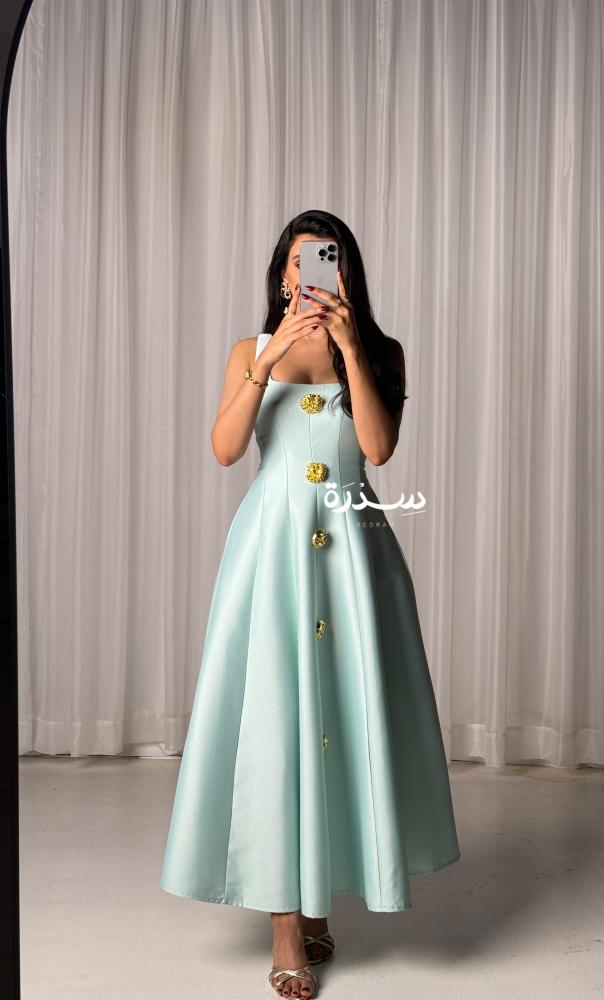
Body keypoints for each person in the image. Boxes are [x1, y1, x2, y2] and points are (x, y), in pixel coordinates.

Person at [159, 210, 460, 998]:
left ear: (346, 271)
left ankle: (320, 894)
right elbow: (226, 448)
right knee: (278, 723)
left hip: (354, 553)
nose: (311, 275)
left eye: (326, 260)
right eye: (298, 263)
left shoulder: (383, 352)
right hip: (273, 554)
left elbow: (379, 448)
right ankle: (287, 925)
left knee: (343, 719)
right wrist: (269, 361)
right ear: (282, 275)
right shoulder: (249, 351)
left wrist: (352, 350)